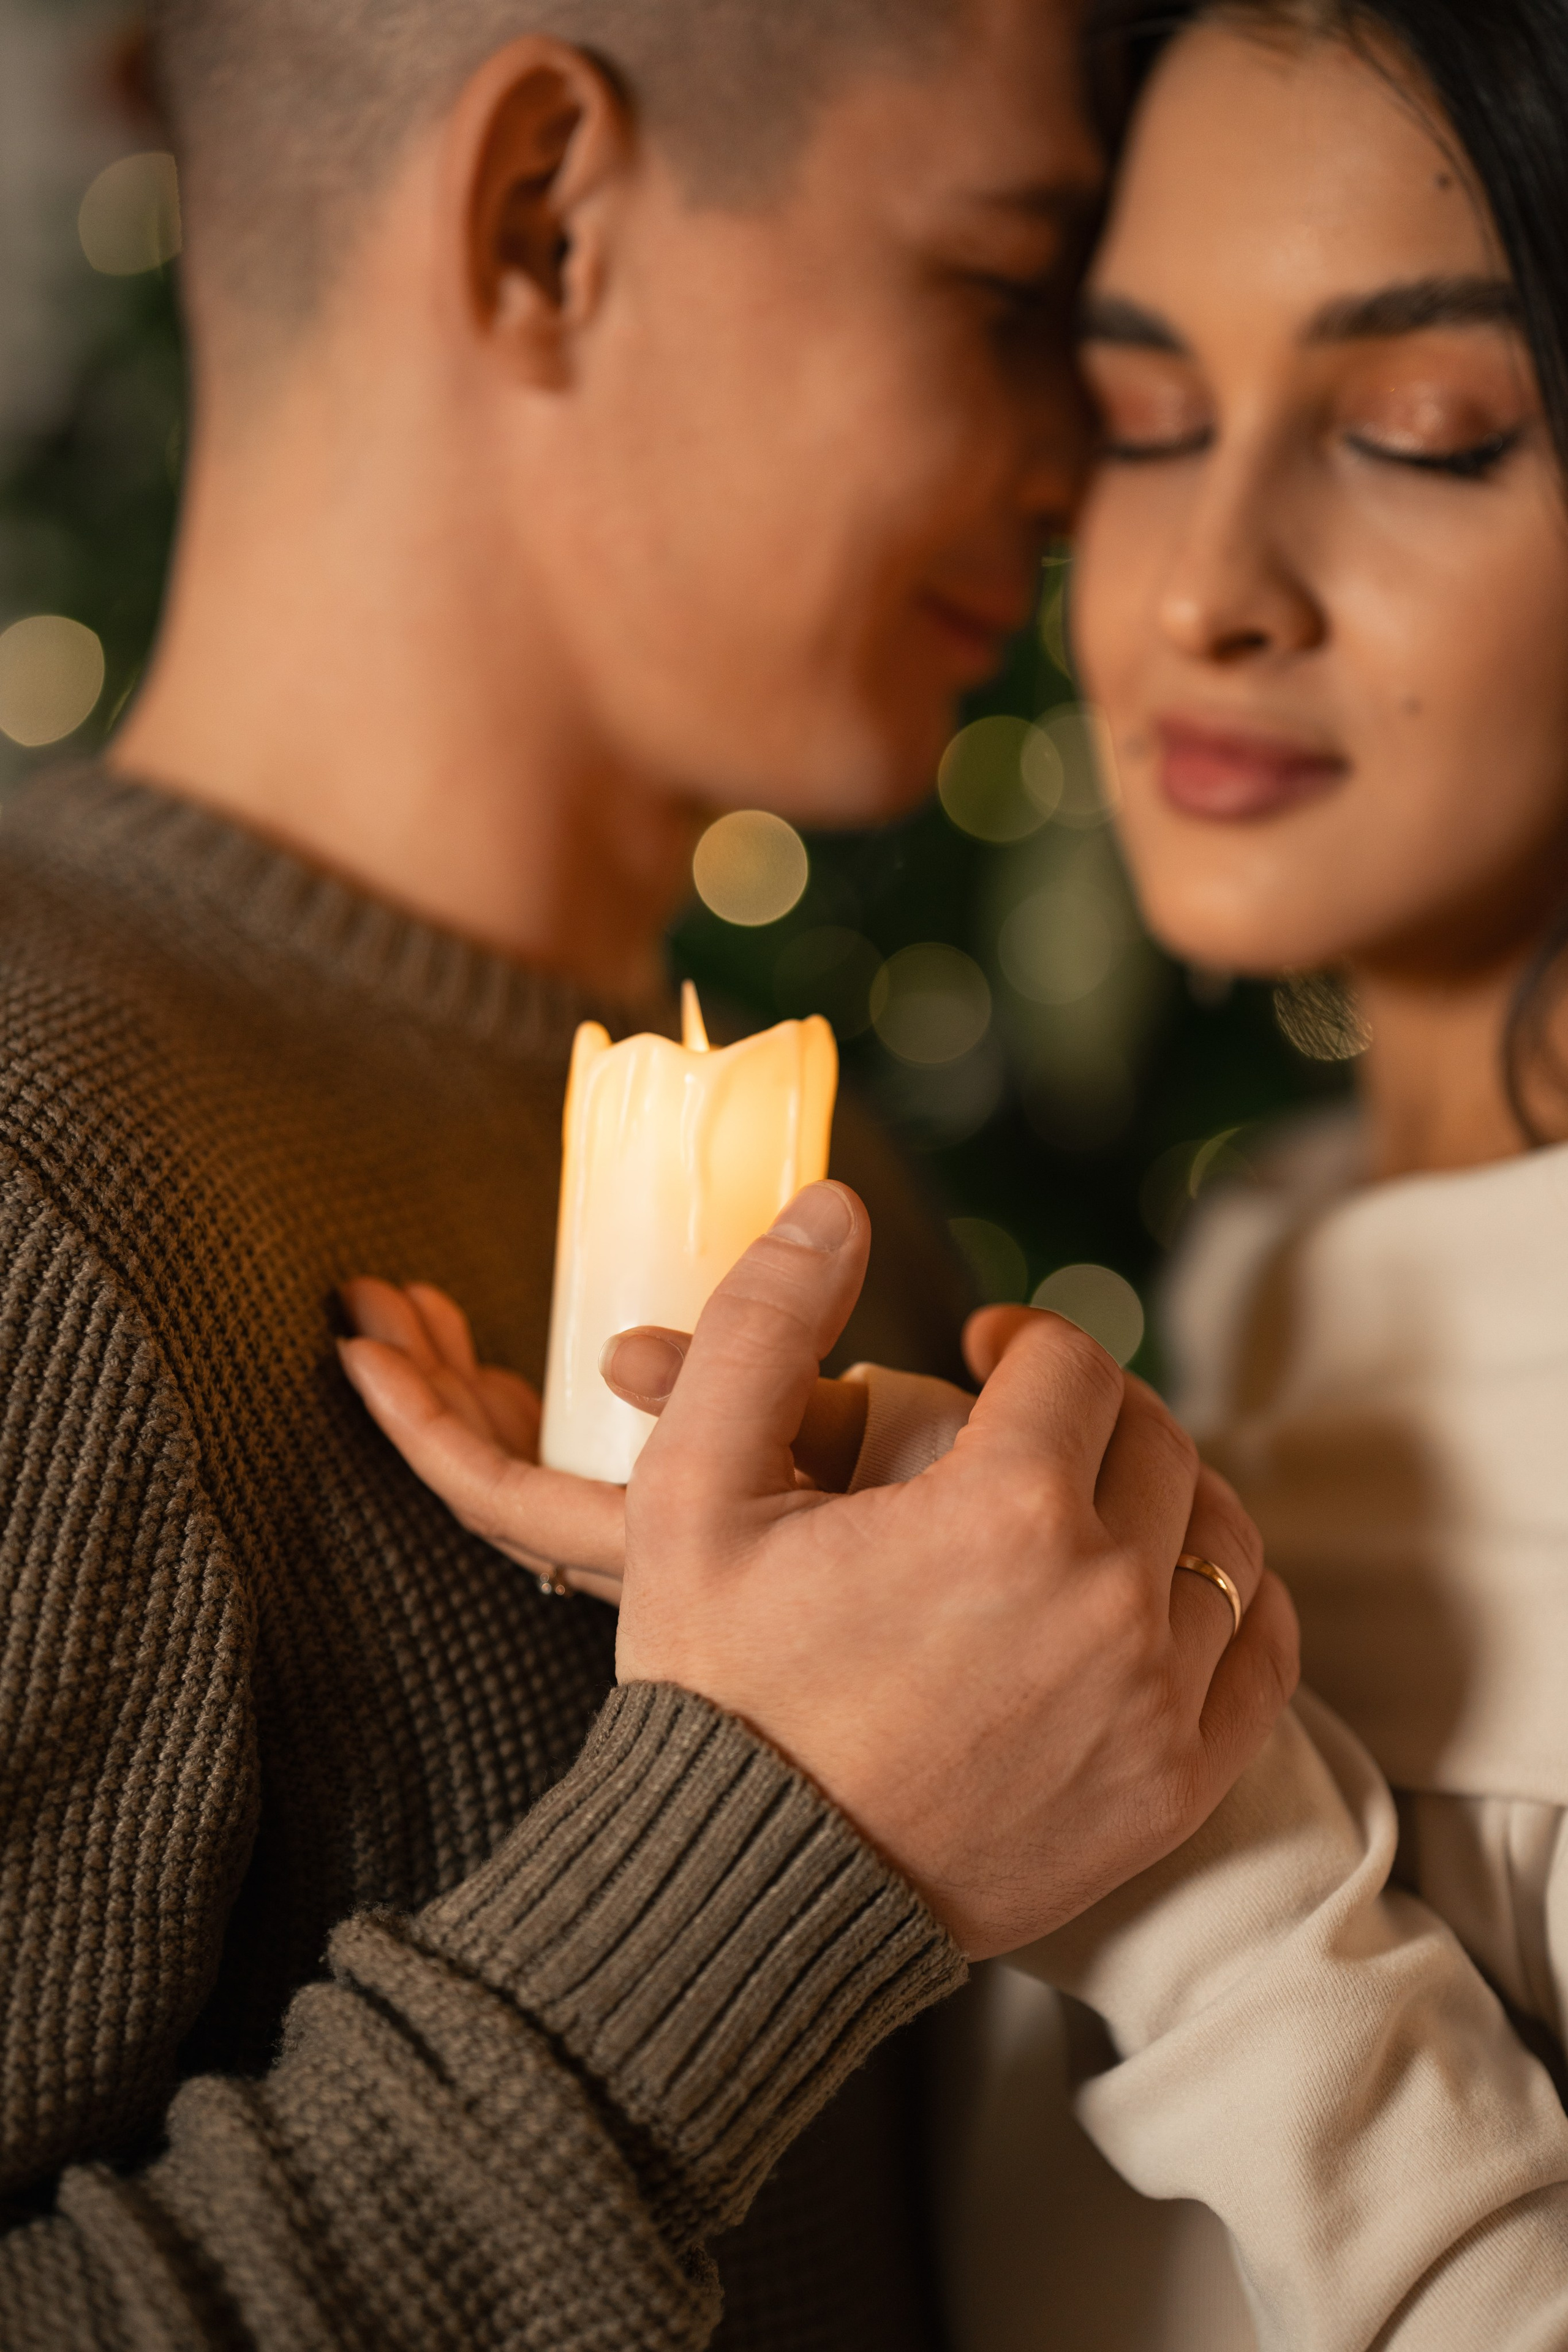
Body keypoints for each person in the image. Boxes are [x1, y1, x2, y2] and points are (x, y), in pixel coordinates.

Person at [0, 1, 1305, 2345]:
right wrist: (784, 1856)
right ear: (548, 219)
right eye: (1005, 290)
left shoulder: (845, 1195)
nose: (1083, 456)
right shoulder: (29, 1168)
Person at [349, 1, 1568, 2345]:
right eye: (1136, 421)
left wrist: (1194, 1849)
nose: (1199, 584)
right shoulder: (1279, 1266)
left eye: (1430, 432)